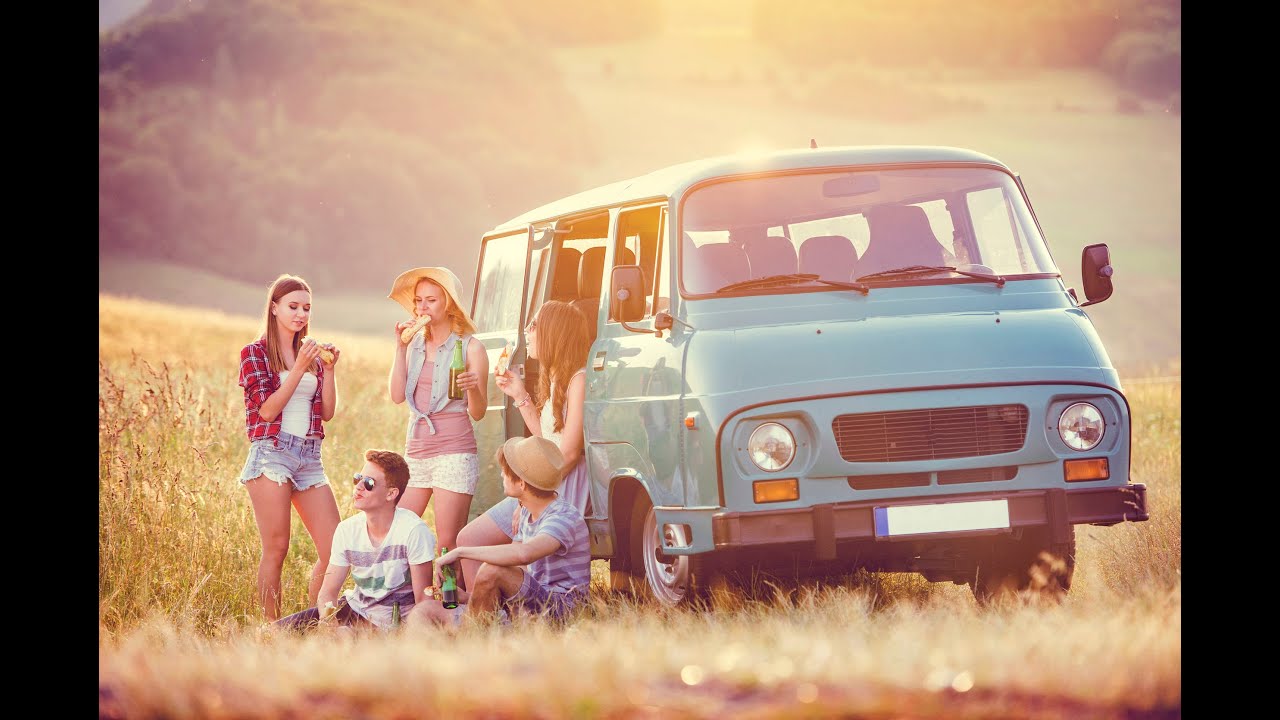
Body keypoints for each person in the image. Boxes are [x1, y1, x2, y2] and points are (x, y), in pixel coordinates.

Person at [455, 299, 591, 588]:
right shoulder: (556, 379)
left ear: (554, 333)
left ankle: (494, 612)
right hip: (542, 483)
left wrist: (526, 498)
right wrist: (518, 393)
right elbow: (546, 444)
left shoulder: (579, 380)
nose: (527, 333)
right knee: (468, 538)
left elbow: (567, 453)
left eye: (534, 325)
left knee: (486, 545)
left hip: (558, 487)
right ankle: (483, 613)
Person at [237, 273, 343, 621]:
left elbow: (326, 412)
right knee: (277, 548)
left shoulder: (310, 353)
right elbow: (267, 410)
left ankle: (316, 623)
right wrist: (298, 368)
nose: (301, 314)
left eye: (306, 308)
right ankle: (274, 630)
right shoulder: (254, 353)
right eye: (293, 306)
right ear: (274, 307)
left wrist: (329, 371)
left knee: (336, 549)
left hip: (310, 456)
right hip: (272, 453)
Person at [410, 436, 590, 628]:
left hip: (560, 610)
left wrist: (460, 552)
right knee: (423, 610)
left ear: (521, 483)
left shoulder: (563, 517)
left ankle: (472, 637)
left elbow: (524, 554)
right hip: (525, 607)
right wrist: (473, 596)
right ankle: (459, 639)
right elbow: (517, 573)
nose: (501, 475)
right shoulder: (527, 512)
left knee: (492, 569)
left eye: (506, 471)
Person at [386, 266, 489, 559]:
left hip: (454, 452)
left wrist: (474, 388)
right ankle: (410, 599)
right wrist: (399, 348)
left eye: (430, 300)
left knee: (447, 543)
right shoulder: (414, 344)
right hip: (417, 451)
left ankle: (451, 602)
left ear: (449, 303)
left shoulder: (471, 349)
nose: (422, 307)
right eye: (418, 300)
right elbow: (396, 395)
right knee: (399, 532)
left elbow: (478, 412)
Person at [275, 449, 437, 631]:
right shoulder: (347, 530)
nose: (359, 486)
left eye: (369, 483)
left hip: (395, 622)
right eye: (358, 478)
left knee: (349, 637)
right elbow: (328, 592)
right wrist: (329, 623)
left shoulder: (414, 531)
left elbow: (424, 603)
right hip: (354, 609)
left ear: (391, 494)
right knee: (269, 633)